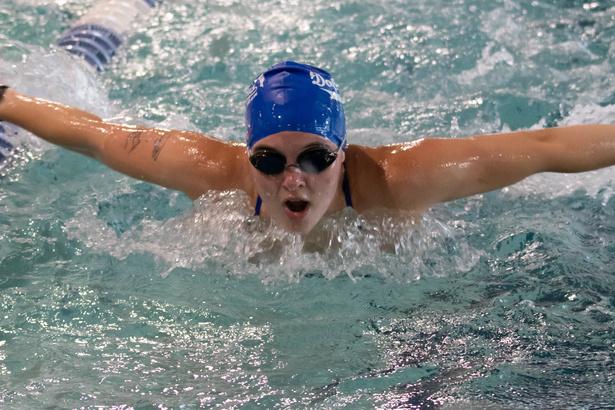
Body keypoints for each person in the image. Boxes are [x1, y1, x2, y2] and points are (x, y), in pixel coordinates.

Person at [1, 60, 615, 234]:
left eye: (317, 157)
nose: (293, 179)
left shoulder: (400, 179)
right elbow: (97, 135)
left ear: (343, 153)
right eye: (270, 160)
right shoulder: (211, 171)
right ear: (248, 155)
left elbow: (544, 146)